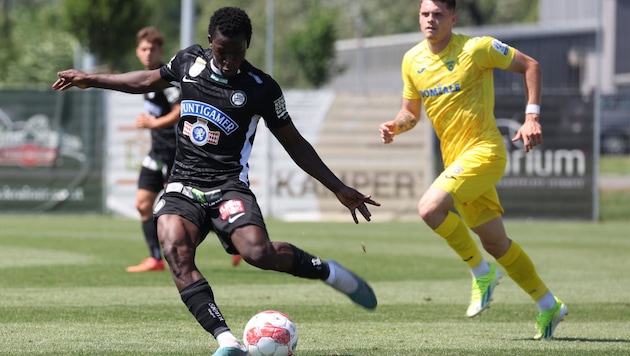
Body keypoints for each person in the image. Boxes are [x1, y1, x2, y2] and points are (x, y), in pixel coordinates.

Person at [53, 7, 379, 356]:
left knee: (257, 252)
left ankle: (329, 272)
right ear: (211, 43)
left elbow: (295, 142)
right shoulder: (188, 62)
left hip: (228, 186)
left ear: (247, 46)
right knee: (176, 249)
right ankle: (227, 342)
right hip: (183, 182)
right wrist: (92, 79)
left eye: (237, 54)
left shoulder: (261, 88)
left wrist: (338, 188)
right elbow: (147, 80)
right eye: (222, 53)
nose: (228, 62)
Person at [379, 0, 567, 340]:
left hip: (485, 151)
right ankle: (549, 305)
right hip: (457, 163)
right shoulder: (412, 60)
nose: (430, 20)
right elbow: (411, 112)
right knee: (497, 243)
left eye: (438, 14)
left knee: (429, 208)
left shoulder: (477, 48)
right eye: (425, 14)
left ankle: (481, 273)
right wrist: (397, 125)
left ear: (453, 17)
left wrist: (532, 116)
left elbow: (531, 66)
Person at [126, 26, 181, 273]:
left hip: (176, 153)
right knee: (142, 204)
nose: (148, 53)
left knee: (186, 211)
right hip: (156, 152)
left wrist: (152, 123)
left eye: (153, 49)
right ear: (138, 52)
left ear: (161, 51)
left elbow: (179, 111)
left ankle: (235, 239)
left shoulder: (165, 78)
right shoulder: (145, 76)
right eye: (144, 49)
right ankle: (155, 259)